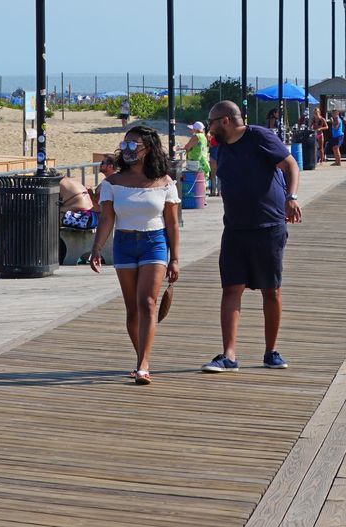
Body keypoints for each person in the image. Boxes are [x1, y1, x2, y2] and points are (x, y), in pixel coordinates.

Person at [202, 99, 301, 373]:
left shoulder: (260, 136)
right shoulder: (220, 148)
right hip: (234, 228)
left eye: (211, 122)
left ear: (225, 121)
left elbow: (290, 165)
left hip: (268, 227)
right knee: (231, 288)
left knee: (271, 290)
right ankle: (229, 356)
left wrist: (291, 198)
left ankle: (271, 351)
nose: (209, 129)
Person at [89, 125, 181, 384]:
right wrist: (96, 248)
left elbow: (172, 223)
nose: (127, 150)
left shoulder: (164, 181)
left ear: (147, 149)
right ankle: (141, 356)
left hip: (155, 242)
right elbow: (106, 218)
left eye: (133, 145)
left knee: (147, 303)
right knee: (132, 309)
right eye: (125, 144)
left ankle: (143, 365)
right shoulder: (112, 182)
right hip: (124, 243)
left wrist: (175, 257)